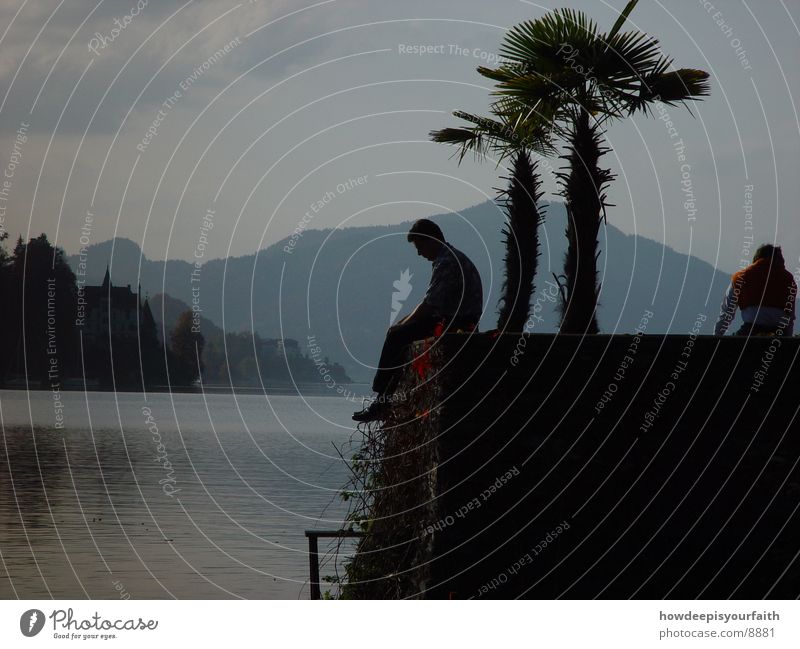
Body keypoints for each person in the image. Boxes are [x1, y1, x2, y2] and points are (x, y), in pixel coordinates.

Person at [353, 219, 483, 422]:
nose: (419, 253)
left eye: (420, 246)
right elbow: (428, 303)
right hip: (456, 318)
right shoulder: (449, 258)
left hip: (457, 322)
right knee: (398, 335)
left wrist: (401, 327)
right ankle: (383, 400)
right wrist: (402, 324)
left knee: (397, 337)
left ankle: (381, 398)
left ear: (432, 240)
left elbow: (429, 305)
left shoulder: (447, 262)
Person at [714, 244, 797, 336]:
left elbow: (727, 313)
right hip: (779, 333)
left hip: (750, 332)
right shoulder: (788, 280)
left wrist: (717, 337)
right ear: (778, 260)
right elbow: (790, 317)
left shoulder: (740, 277)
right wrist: (788, 341)